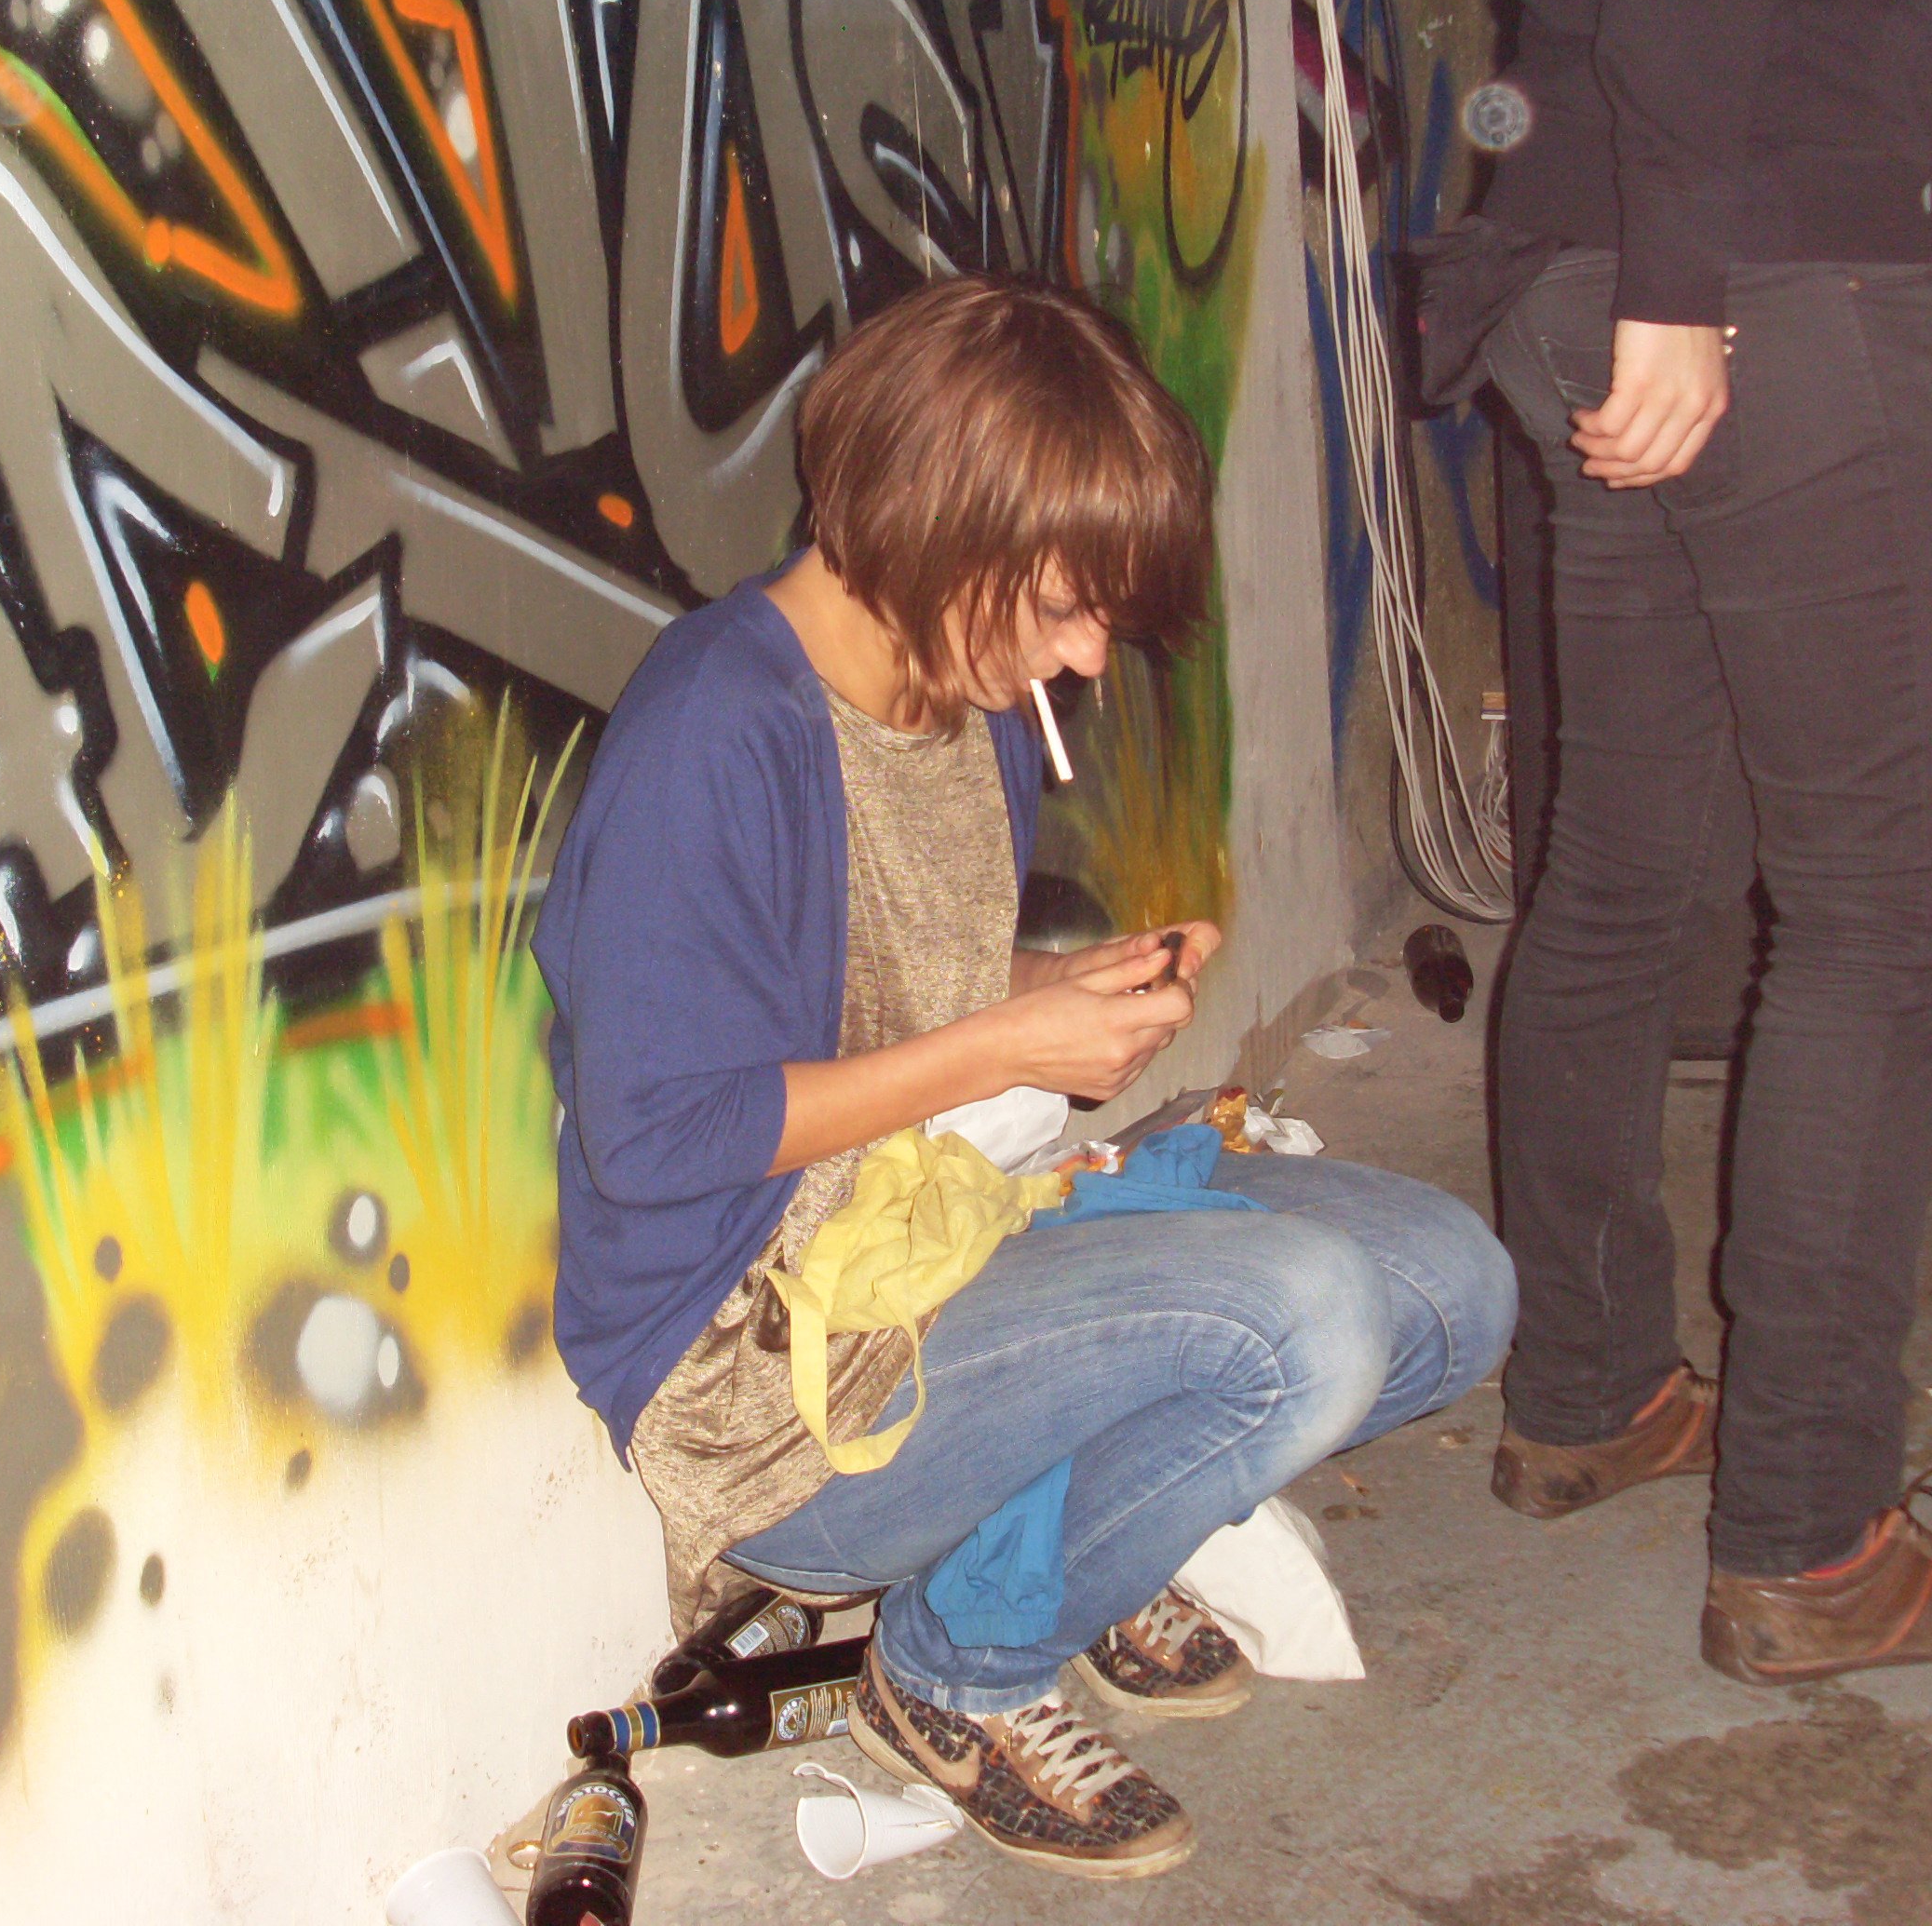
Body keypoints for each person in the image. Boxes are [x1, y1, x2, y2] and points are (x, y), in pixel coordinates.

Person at [534, 275, 1515, 1879]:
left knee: (1455, 1287)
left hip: (932, 1228)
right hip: (764, 1373)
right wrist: (1003, 1048)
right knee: (1310, 1316)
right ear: (934, 524)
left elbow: (875, 998)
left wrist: (1063, 987)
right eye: (1063, 605)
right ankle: (957, 1671)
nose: (1085, 654)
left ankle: (1070, 1545)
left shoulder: (964, 697)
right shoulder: (720, 725)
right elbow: (660, 1135)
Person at [1468, 0, 1932, 1681]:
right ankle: (1815, 1540)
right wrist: (1684, 281)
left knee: (1623, 870)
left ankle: (1590, 1394)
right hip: (1753, 283)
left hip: (1581, 255)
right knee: (1884, 907)